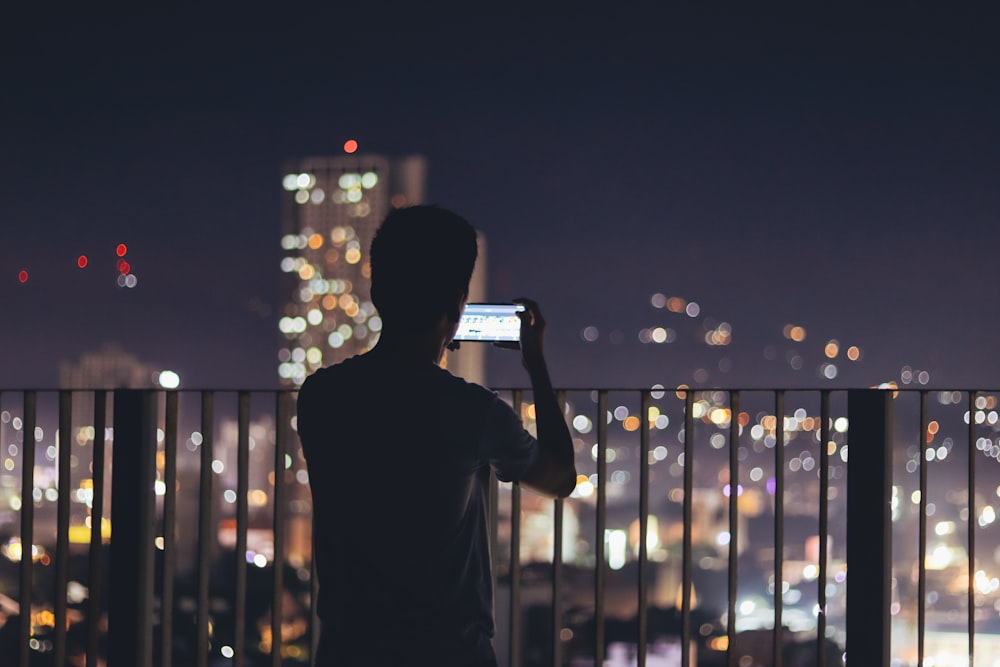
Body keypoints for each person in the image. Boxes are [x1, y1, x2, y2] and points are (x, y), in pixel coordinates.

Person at [296, 205, 577, 666]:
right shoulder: (472, 410)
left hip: (348, 649)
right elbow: (560, 477)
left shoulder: (321, 395)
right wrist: (536, 366)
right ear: (456, 306)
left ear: (377, 293)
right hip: (448, 651)